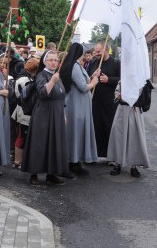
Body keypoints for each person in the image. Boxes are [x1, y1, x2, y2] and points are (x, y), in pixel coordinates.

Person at [22, 50, 70, 186]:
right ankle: (34, 174)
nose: (54, 62)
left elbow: (61, 96)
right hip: (43, 113)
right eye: (51, 60)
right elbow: (43, 93)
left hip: (57, 113)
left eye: (56, 60)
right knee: (40, 142)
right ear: (45, 61)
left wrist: (64, 113)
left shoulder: (56, 75)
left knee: (54, 143)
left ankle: (51, 173)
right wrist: (52, 81)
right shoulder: (42, 75)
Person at [60, 43, 99, 175]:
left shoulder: (74, 65)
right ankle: (73, 162)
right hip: (76, 106)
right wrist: (93, 82)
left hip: (77, 104)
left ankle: (75, 161)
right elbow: (83, 86)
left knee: (75, 132)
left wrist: (93, 76)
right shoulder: (75, 66)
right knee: (75, 132)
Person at [107, 81, 150, 177]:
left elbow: (136, 95)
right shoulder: (123, 79)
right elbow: (117, 92)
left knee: (134, 137)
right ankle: (117, 164)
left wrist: (125, 96)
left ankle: (133, 166)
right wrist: (118, 94)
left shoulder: (139, 80)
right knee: (118, 136)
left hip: (134, 110)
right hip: (122, 110)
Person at [87, 41, 121, 159]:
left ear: (106, 50)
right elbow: (87, 79)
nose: (96, 53)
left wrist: (109, 79)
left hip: (110, 102)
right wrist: (92, 76)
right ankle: (97, 153)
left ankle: (110, 155)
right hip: (95, 100)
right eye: (95, 51)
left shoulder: (116, 63)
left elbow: (122, 80)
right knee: (96, 127)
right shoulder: (93, 63)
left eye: (98, 51)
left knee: (109, 127)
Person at [11, 58, 39, 169]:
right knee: (21, 136)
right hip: (23, 111)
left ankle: (19, 160)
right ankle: (18, 161)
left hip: (22, 111)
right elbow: (26, 97)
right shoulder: (24, 79)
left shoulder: (25, 77)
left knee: (21, 136)